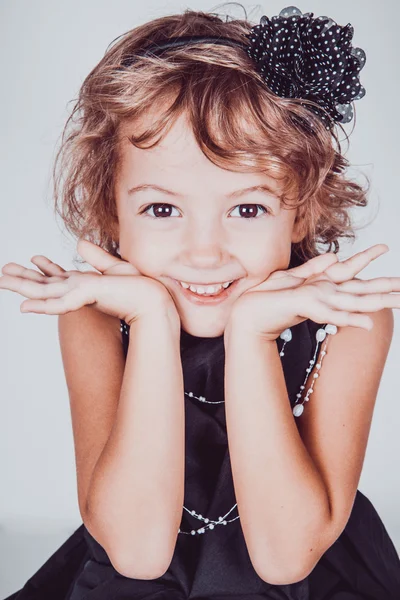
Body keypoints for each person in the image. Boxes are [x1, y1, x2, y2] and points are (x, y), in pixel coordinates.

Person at [1, 4, 400, 599]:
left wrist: (252, 335)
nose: (205, 252)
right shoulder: (96, 317)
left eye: (247, 209)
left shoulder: (350, 319)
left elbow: (286, 557)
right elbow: (135, 553)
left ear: (301, 208)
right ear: (114, 211)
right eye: (162, 209)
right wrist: (153, 320)